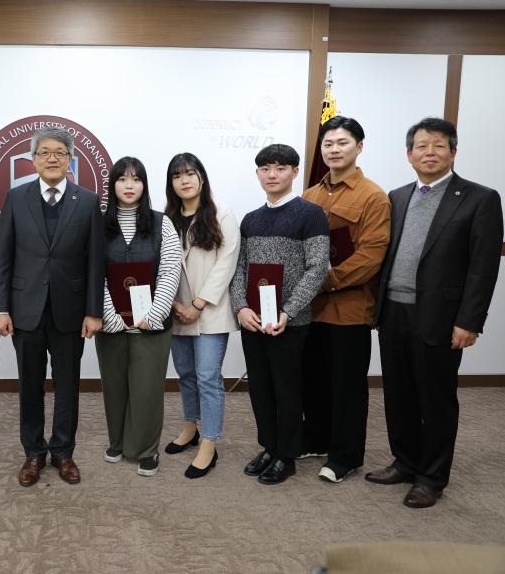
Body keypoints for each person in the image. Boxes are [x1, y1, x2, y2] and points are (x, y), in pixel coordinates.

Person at [366, 117, 502, 508]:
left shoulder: (480, 198)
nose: (429, 152)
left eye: (438, 145)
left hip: (442, 319)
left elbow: (483, 266)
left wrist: (469, 321)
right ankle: (405, 461)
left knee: (436, 399)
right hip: (393, 312)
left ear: (453, 152)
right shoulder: (397, 196)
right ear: (409, 154)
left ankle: (432, 476)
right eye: (421, 146)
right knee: (399, 394)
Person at [0, 126, 104, 487]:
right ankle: (34, 453)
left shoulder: (86, 201)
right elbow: (4, 257)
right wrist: (0, 308)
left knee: (68, 384)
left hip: (71, 311)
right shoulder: (16, 197)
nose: (52, 158)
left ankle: (63, 452)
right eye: (44, 152)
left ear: (70, 160)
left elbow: (94, 264)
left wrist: (93, 311)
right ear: (34, 159)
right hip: (25, 309)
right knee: (30, 385)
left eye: (59, 152)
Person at [230, 143, 329, 485]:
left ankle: (287, 455)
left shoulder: (310, 214)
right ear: (257, 174)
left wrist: (288, 311)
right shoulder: (251, 219)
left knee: (287, 390)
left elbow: (317, 268)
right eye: (265, 169)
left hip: (290, 322)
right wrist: (240, 307)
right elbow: (239, 268)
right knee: (260, 389)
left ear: (295, 172)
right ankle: (269, 446)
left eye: (281, 168)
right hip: (253, 322)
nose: (272, 175)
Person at [299, 117, 391, 483]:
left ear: (359, 147)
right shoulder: (310, 196)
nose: (334, 150)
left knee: (347, 388)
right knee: (313, 380)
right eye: (328, 144)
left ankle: (346, 455)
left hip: (349, 310)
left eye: (342, 143)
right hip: (311, 310)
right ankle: (317, 437)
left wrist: (321, 281)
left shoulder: (373, 196)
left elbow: (370, 256)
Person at [96, 157, 181, 477]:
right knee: (114, 386)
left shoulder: (163, 223)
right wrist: (109, 314)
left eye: (136, 179)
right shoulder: (98, 225)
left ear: (145, 185)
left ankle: (146, 449)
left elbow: (171, 270)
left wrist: (155, 313)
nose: (129, 185)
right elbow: (94, 273)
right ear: (112, 185)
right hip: (111, 325)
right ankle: (117, 442)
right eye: (122, 179)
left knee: (146, 390)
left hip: (152, 326)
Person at [163, 153, 239, 479]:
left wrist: (198, 304)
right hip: (177, 310)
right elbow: (162, 266)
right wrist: (175, 305)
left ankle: (210, 441)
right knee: (186, 375)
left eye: (190, 173)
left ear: (201, 177)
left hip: (210, 312)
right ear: (172, 184)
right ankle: (190, 427)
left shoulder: (221, 215)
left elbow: (228, 263)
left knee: (208, 377)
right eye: (177, 175)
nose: (185, 180)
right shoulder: (166, 219)